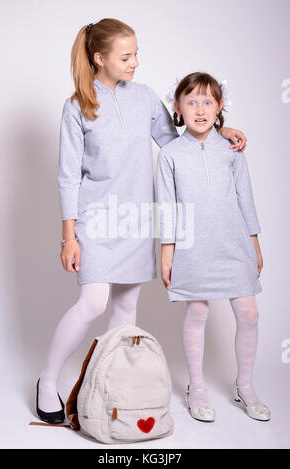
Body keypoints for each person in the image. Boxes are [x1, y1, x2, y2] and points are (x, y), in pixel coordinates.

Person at [36, 19, 248, 424]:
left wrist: (221, 131)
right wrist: (69, 236)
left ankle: (111, 388)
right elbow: (67, 175)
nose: (135, 62)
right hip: (97, 219)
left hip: (136, 219)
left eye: (136, 54)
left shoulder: (147, 98)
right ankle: (48, 381)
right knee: (93, 302)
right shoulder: (77, 106)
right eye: (126, 56)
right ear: (100, 59)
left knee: (126, 306)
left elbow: (176, 146)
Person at [156, 72, 270, 422]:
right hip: (192, 246)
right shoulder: (170, 155)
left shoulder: (231, 150)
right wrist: (167, 251)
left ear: (220, 108)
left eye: (208, 101)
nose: (200, 109)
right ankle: (197, 388)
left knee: (248, 312)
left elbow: (245, 198)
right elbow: (167, 205)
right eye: (191, 102)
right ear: (178, 108)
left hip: (233, 243)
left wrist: (255, 243)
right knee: (199, 312)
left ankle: (245, 387)